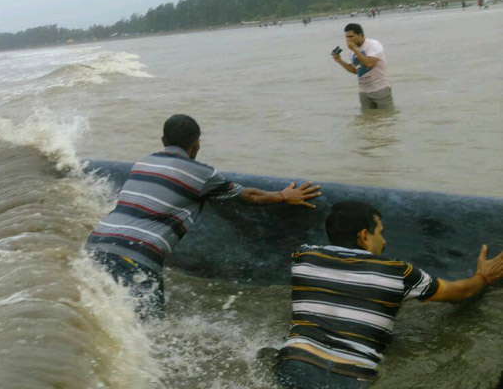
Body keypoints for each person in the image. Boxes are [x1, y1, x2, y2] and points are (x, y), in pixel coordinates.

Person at [84, 114, 322, 317]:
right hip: (137, 256)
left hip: (94, 246)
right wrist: (283, 195)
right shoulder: (202, 174)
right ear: (196, 145)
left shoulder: (142, 163)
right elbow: (250, 197)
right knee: (149, 328)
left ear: (163, 141)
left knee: (100, 319)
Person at [264, 201, 503, 388]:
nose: (385, 240)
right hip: (351, 374)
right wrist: (483, 276)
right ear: (364, 236)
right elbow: (460, 292)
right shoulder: (398, 272)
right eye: (380, 232)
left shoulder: (303, 257)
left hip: (294, 361)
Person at [331, 23, 394, 111]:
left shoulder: (373, 45)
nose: (348, 40)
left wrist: (355, 50)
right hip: (364, 90)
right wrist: (340, 61)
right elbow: (355, 70)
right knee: (367, 117)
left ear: (360, 35)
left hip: (380, 87)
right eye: (346, 37)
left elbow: (369, 64)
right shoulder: (353, 51)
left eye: (351, 37)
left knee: (387, 116)